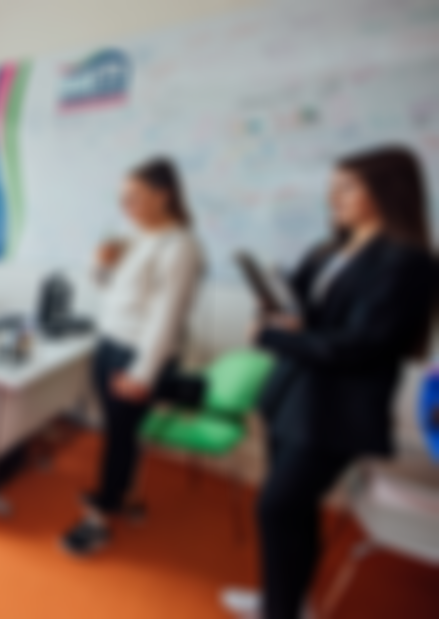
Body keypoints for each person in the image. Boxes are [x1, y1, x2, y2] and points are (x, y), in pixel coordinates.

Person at [223, 146, 437, 619]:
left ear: (387, 190)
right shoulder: (331, 247)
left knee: (277, 507)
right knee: (294, 511)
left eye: (347, 187)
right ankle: (284, 601)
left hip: (337, 409)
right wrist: (275, 310)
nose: (333, 196)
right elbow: (307, 316)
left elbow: (360, 345)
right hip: (293, 396)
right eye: (333, 186)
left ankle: (283, 609)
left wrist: (276, 335)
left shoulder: (408, 260)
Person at [62, 157, 204, 556]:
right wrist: (99, 264)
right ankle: (117, 496)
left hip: (137, 353)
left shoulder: (180, 246)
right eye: (122, 199)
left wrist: (143, 374)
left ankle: (101, 519)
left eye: (134, 199)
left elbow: (166, 318)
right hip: (110, 342)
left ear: (164, 196)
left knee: (120, 437)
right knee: (117, 433)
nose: (126, 207)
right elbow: (112, 292)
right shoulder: (140, 237)